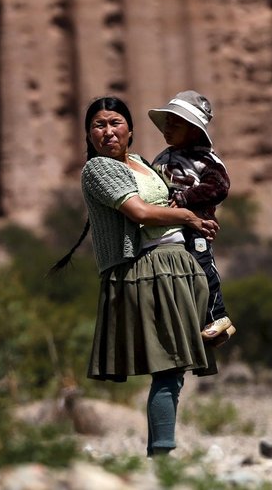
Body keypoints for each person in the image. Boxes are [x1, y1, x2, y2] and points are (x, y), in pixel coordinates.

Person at [51, 95, 218, 457]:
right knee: (169, 366)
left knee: (175, 367)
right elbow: (140, 212)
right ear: (88, 134)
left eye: (115, 123)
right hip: (149, 270)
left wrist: (199, 218)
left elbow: (170, 202)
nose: (107, 132)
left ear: (130, 130)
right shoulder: (98, 169)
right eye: (98, 125)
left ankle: (163, 454)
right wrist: (189, 218)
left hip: (177, 265)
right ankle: (161, 458)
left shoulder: (143, 163)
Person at [148, 90, 235, 345]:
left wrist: (187, 198)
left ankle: (218, 316)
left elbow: (219, 186)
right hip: (167, 229)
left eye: (176, 123)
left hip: (196, 227)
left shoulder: (206, 160)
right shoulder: (162, 158)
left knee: (202, 266)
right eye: (167, 122)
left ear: (195, 131)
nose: (168, 128)